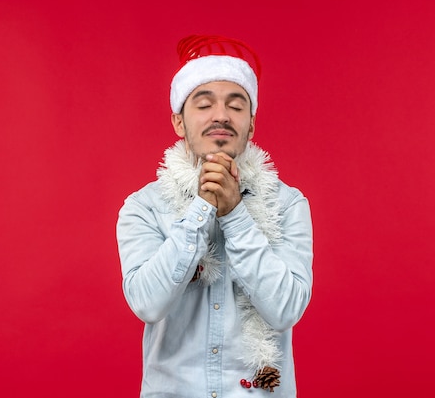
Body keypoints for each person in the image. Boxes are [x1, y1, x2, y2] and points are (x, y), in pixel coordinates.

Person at [116, 34, 313, 397]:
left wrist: (236, 214)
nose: (220, 115)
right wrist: (201, 209)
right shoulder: (143, 207)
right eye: (204, 104)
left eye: (236, 106)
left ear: (251, 125)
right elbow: (147, 303)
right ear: (179, 122)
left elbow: (286, 309)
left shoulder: (288, 205)